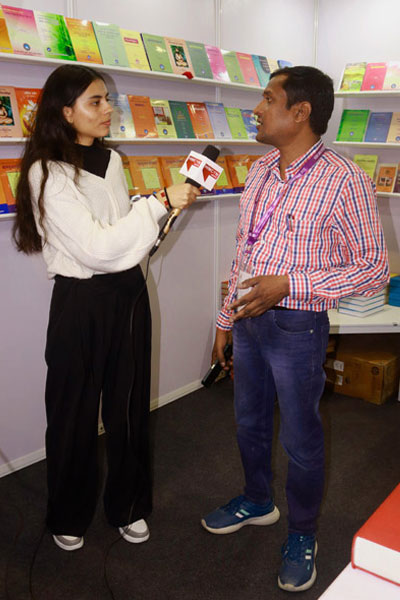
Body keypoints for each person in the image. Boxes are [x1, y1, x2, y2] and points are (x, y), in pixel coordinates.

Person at [201, 66, 389, 592]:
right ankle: (257, 500)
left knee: (302, 438)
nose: (257, 109)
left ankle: (303, 533)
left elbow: (373, 267)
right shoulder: (261, 169)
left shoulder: (344, 178)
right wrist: (224, 319)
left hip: (298, 325)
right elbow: (245, 251)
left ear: (300, 112)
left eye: (268, 98)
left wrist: (290, 285)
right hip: (248, 319)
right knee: (249, 422)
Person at [12, 64, 200, 552]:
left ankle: (129, 506)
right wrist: (155, 203)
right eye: (95, 101)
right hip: (81, 301)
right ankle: (68, 513)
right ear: (64, 111)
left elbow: (126, 240)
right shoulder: (46, 171)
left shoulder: (113, 161)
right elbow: (96, 248)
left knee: (129, 408)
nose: (107, 109)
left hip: (128, 295)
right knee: (72, 412)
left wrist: (157, 213)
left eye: (107, 100)